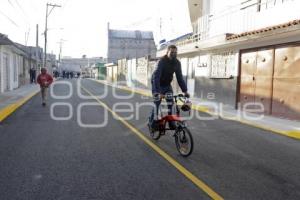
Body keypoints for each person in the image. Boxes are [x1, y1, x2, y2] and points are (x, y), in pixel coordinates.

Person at [149, 45, 189, 130]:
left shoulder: (177, 63)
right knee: (157, 103)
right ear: (167, 52)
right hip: (157, 84)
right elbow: (156, 77)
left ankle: (171, 122)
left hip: (167, 85)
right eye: (172, 52)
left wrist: (185, 91)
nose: (173, 54)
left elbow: (180, 78)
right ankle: (152, 124)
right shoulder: (161, 62)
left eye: (175, 52)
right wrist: (158, 92)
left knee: (171, 103)